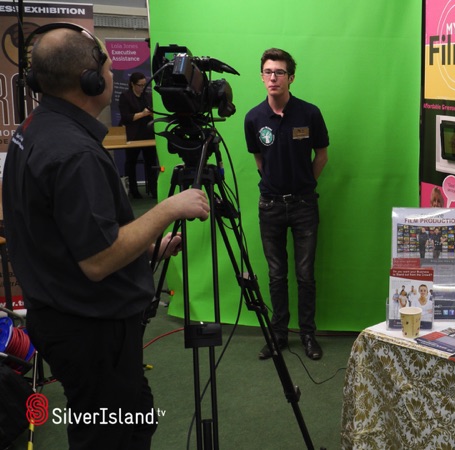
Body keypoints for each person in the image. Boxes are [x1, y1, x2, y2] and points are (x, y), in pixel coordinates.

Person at [2, 25, 210, 450]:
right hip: (91, 330)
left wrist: (148, 246)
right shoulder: (75, 153)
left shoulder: (35, 128)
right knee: (114, 436)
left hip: (62, 317)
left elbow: (69, 232)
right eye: (108, 67)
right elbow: (97, 260)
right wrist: (169, 209)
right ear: (91, 80)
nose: (113, 74)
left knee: (114, 421)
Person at [244, 48, 329, 361]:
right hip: (270, 208)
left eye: (279, 72)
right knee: (276, 275)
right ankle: (279, 335)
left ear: (291, 78)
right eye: (268, 71)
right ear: (262, 76)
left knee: (305, 275)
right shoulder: (253, 118)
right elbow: (259, 160)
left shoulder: (309, 114)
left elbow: (321, 155)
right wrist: (275, 187)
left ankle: (308, 335)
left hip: (305, 205)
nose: (273, 77)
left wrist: (305, 183)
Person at [119, 71, 158, 199]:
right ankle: (134, 190)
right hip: (133, 135)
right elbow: (125, 118)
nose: (142, 88)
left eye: (144, 85)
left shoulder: (147, 96)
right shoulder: (125, 96)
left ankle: (154, 189)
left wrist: (152, 113)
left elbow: (154, 113)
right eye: (140, 85)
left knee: (151, 162)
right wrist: (143, 113)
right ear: (132, 84)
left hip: (148, 134)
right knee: (131, 162)